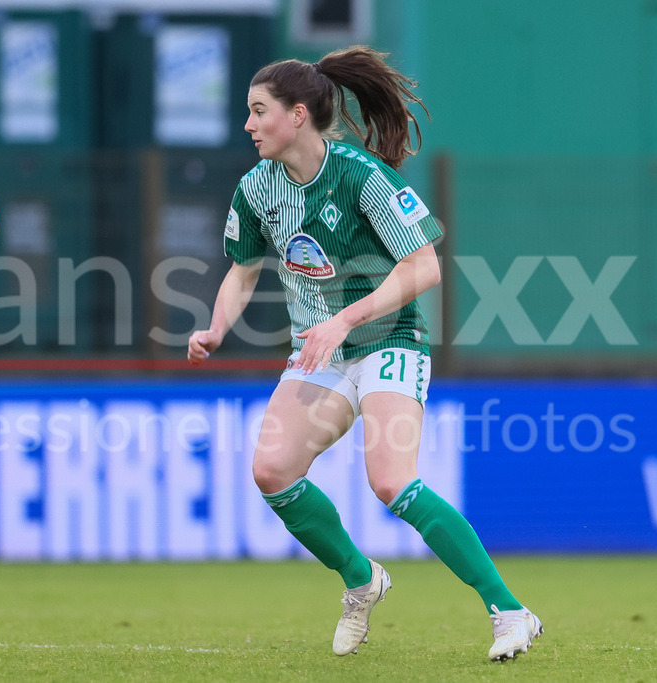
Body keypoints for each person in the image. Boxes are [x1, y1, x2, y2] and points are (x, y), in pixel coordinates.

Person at [186, 46, 542, 661]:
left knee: (391, 481)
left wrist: (345, 318)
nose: (247, 124)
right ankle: (361, 579)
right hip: (319, 353)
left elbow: (424, 266)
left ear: (298, 115)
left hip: (386, 341)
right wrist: (216, 328)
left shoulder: (360, 175)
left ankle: (510, 612)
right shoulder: (256, 188)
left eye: (258, 111)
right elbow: (243, 272)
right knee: (272, 472)